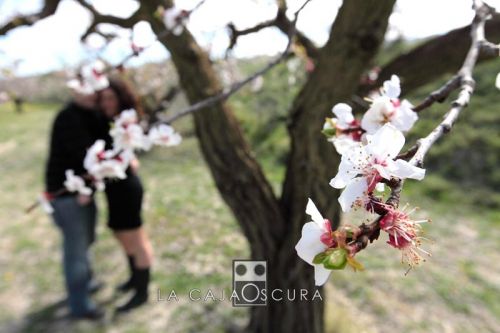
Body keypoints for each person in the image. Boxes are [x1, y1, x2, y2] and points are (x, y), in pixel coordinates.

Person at [45, 89, 104, 319]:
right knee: (76, 250)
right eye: (85, 88)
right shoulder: (68, 117)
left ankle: (86, 283)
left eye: (94, 89)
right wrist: (86, 188)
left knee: (86, 240)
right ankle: (80, 305)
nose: (91, 94)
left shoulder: (91, 114)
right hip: (68, 195)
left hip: (81, 192)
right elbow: (80, 155)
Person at [97, 78, 153, 312]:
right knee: (121, 234)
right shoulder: (106, 121)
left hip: (127, 188)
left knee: (136, 239)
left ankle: (142, 291)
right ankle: (133, 277)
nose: (106, 103)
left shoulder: (127, 122)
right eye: (103, 98)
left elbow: (131, 149)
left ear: (121, 98)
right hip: (112, 188)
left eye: (111, 97)